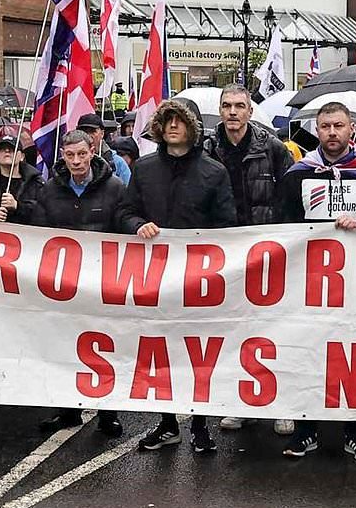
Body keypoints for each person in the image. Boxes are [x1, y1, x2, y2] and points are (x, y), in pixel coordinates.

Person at [277, 102, 356, 463]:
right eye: (326, 126)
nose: (332, 132)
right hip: (310, 283)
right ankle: (306, 431)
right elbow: (281, 228)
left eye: (339, 125)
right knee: (308, 354)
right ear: (317, 130)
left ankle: (355, 433)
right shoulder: (298, 174)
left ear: (352, 130)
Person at [121, 99, 236, 454]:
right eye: (167, 120)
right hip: (154, 278)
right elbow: (125, 212)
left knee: (198, 354)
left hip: (198, 280)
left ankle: (201, 425)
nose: (173, 126)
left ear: (193, 127)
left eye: (180, 120)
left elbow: (227, 225)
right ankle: (168, 423)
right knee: (161, 351)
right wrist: (139, 224)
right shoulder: (144, 169)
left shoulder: (214, 172)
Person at [202, 84, 295, 436]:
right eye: (226, 106)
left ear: (250, 111)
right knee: (237, 331)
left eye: (239, 106)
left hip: (265, 252)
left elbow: (288, 197)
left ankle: (281, 403)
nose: (232, 112)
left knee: (275, 329)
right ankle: (242, 402)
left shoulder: (272, 149)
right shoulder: (207, 148)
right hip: (225, 256)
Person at [31, 130, 127, 437]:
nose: (76, 161)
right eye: (70, 155)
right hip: (65, 285)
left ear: (92, 151)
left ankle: (108, 413)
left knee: (104, 348)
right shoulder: (50, 190)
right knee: (65, 345)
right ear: (62, 156)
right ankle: (68, 409)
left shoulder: (114, 187)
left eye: (81, 155)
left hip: (102, 282)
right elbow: (37, 232)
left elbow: (124, 226)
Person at [0, 135, 43, 223]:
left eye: (12, 149)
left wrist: (18, 206)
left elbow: (43, 212)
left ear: (22, 156)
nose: (7, 151)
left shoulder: (36, 182)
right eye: (2, 149)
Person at [76, 112, 132, 184]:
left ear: (102, 133)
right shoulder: (70, 162)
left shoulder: (117, 162)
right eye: (84, 132)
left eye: (92, 131)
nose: (88, 136)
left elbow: (128, 190)